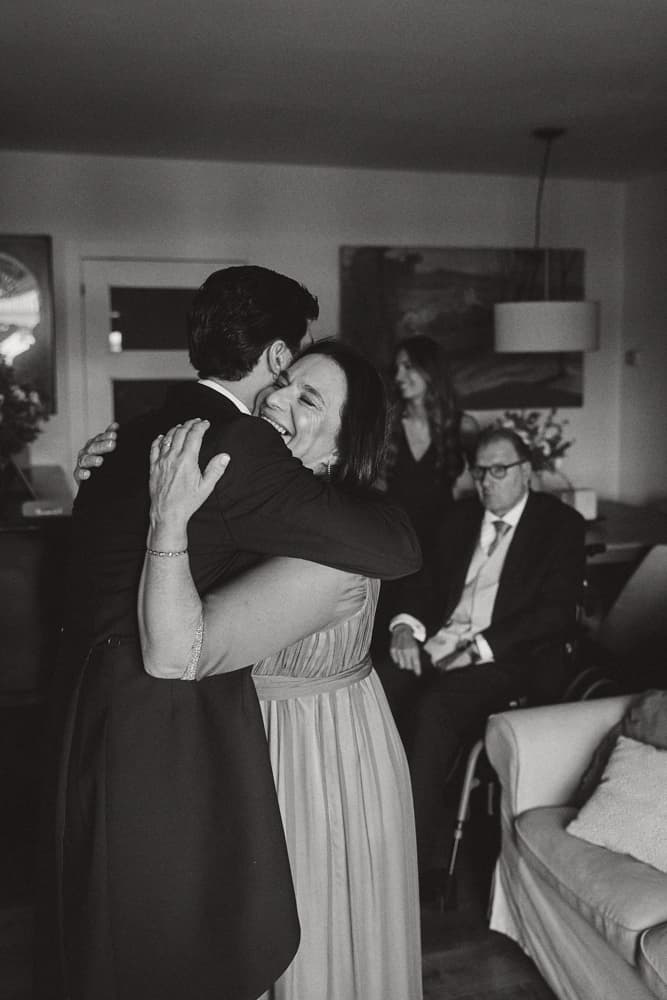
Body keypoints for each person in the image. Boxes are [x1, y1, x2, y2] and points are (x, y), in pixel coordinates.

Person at [37, 267, 421, 1000]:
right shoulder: (237, 453)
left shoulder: (161, 438)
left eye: (309, 399)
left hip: (291, 751)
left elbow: (389, 545)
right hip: (185, 734)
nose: (280, 399)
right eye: (289, 379)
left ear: (341, 448)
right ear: (274, 355)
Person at [386, 426, 585, 879]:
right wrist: (404, 628)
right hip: (438, 645)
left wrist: (478, 648)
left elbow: (555, 613)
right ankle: (363, 827)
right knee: (377, 683)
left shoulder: (560, 525)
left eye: (499, 470)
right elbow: (422, 583)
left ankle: (407, 863)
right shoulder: (457, 519)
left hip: (509, 659)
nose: (486, 482)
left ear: (526, 472)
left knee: (435, 708)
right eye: (479, 472)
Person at [372, 336, 464, 661]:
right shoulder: (386, 426)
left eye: (408, 366)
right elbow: (373, 492)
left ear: (430, 371)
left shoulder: (461, 427)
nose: (398, 376)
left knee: (431, 639)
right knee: (385, 642)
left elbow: (469, 497)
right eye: (396, 367)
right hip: (392, 548)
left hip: (440, 550)